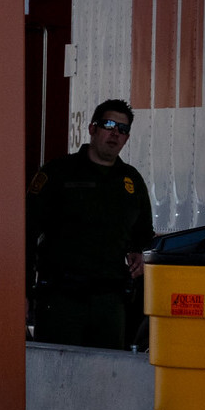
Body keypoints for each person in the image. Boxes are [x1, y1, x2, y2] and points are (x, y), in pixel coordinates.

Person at [27, 99, 155, 349]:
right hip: (61, 299)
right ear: (92, 129)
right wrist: (24, 292)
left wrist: (140, 253)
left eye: (123, 129)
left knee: (107, 375)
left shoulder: (131, 181)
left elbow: (143, 234)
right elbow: (26, 233)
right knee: (58, 374)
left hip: (110, 301)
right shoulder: (58, 173)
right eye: (109, 125)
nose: (115, 133)